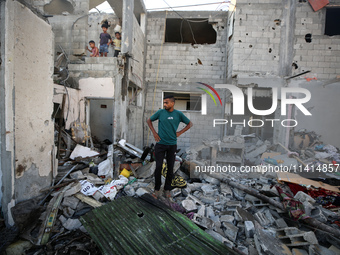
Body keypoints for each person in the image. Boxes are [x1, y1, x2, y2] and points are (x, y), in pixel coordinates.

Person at [147, 95, 193, 200]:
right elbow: (149, 120)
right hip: (160, 144)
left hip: (172, 145)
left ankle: (167, 189)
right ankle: (157, 189)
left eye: (166, 102)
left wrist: (180, 132)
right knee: (158, 167)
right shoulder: (160, 113)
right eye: (164, 102)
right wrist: (154, 133)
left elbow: (190, 124)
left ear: (172, 103)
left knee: (170, 168)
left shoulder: (178, 114)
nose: (164, 104)